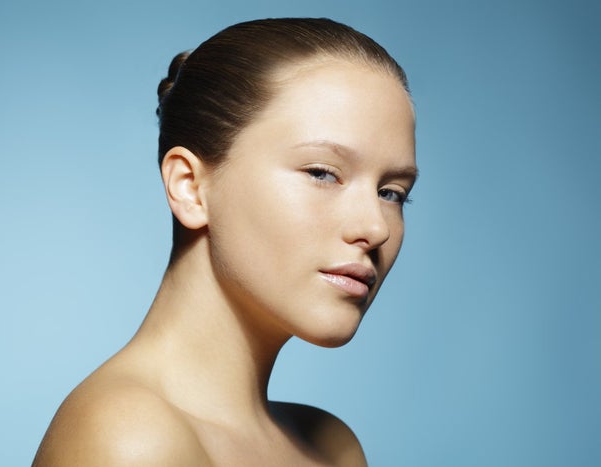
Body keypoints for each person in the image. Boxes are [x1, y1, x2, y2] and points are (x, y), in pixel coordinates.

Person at [33, 17, 417, 466]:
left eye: (392, 193)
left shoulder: (333, 447)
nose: (376, 228)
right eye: (322, 173)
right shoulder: (128, 438)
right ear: (191, 187)